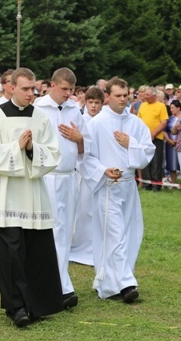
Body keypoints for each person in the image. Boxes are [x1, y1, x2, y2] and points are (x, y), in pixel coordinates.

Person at [0, 68, 63, 327]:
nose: (30, 94)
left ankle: (35, 304)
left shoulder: (40, 117)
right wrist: (17, 146)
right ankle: (16, 307)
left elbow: (53, 153)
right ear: (11, 87)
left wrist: (31, 149)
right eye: (25, 89)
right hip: (2, 196)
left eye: (33, 89)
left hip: (32, 195)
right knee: (10, 253)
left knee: (35, 251)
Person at [80, 77, 155, 303]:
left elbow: (147, 152)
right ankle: (126, 283)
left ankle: (110, 280)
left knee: (130, 232)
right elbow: (86, 156)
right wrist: (103, 170)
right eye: (118, 95)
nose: (123, 99)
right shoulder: (96, 123)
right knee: (114, 233)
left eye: (126, 95)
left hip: (128, 185)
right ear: (108, 97)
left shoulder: (136, 123)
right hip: (107, 186)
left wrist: (130, 143)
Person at [34, 67, 88, 309]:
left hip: (68, 176)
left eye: (71, 90)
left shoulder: (75, 109)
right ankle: (57, 286)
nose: (68, 94)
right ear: (52, 85)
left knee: (65, 231)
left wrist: (79, 139)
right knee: (51, 231)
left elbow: (85, 145)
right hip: (47, 177)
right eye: (64, 89)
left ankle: (61, 282)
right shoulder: (38, 108)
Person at [70, 86, 104, 266]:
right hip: (81, 170)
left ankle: (93, 246)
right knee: (80, 210)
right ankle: (79, 244)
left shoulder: (104, 121)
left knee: (95, 210)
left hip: (99, 170)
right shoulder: (80, 120)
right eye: (90, 102)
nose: (93, 106)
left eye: (97, 103)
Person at [137, 86, 168, 191]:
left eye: (148, 95)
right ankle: (147, 184)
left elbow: (164, 122)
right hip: (144, 138)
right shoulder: (142, 106)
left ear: (154, 96)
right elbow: (138, 120)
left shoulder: (161, 106)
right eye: (145, 94)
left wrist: (154, 133)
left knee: (156, 162)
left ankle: (156, 185)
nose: (145, 96)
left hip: (156, 138)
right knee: (145, 161)